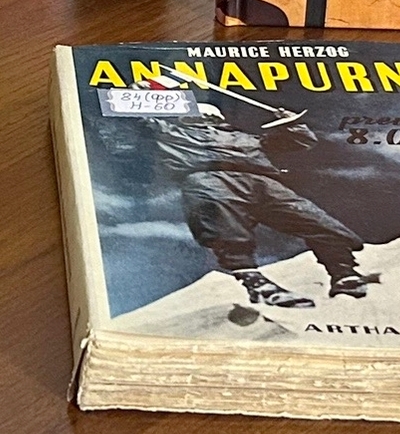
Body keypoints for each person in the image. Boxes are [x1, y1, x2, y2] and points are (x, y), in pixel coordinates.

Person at [149, 102, 378, 314]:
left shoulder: (247, 138)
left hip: (261, 181)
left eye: (209, 117)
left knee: (314, 220)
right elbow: (138, 120)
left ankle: (343, 273)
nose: (205, 121)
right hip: (210, 177)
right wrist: (141, 93)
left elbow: (301, 141)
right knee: (226, 228)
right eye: (199, 117)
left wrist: (291, 123)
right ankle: (255, 283)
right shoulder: (173, 133)